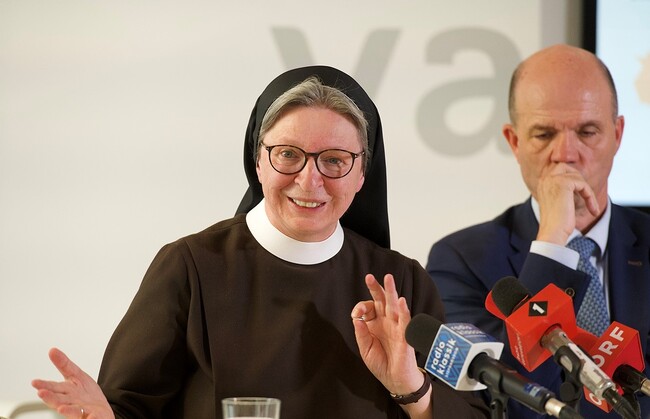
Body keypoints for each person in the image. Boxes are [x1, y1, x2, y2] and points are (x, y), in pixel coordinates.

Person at [32, 66, 489, 419]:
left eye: (334, 160)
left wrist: (411, 388)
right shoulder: (189, 268)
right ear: (257, 160)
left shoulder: (401, 282)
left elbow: (470, 413)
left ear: (362, 175)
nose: (310, 181)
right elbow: (131, 410)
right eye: (288, 154)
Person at [426, 44, 650, 418]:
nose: (566, 153)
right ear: (514, 142)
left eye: (588, 131)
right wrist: (552, 244)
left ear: (618, 134)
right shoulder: (460, 259)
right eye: (544, 134)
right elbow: (506, 401)